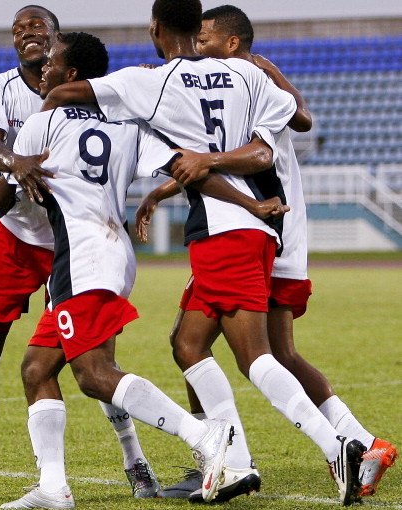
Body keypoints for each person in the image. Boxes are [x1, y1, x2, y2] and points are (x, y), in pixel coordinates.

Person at [38, 0, 370, 506]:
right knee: (187, 342)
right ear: (199, 27)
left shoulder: (153, 82)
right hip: (249, 226)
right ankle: (233, 462)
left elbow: (66, 90)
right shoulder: (245, 73)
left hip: (225, 228)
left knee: (256, 355)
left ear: (155, 27)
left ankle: (337, 445)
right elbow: (289, 127)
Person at [0, 32, 238, 509]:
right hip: (111, 250)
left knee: (93, 374)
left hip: (80, 257)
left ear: (71, 77)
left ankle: (205, 436)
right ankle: (53, 487)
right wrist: (251, 201)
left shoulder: (43, 122)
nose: (43, 69)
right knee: (37, 368)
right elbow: (184, 166)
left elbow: (1, 198)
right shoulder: (127, 123)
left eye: (53, 64)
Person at [137, 5, 397, 502]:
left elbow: (292, 123)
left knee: (232, 348)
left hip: (262, 225)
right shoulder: (226, 78)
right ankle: (360, 443)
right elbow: (229, 149)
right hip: (268, 224)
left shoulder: (243, 75)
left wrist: (262, 67)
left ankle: (239, 456)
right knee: (232, 345)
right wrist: (161, 191)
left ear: (233, 44)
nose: (199, 45)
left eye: (208, 38)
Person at [0, 6, 161, 502]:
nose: (25, 35)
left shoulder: (88, 91)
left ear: (57, 41)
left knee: (94, 354)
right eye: (17, 30)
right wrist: (15, 161)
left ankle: (135, 462)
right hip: (13, 235)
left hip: (71, 239)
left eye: (35, 27)